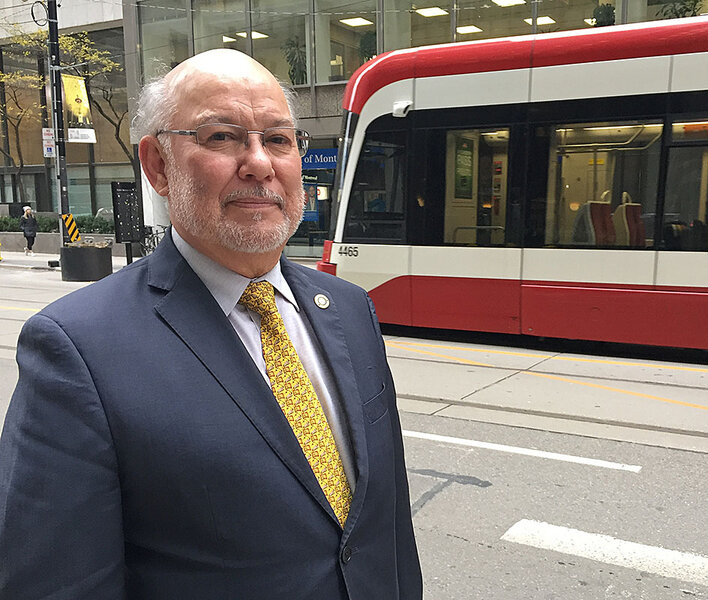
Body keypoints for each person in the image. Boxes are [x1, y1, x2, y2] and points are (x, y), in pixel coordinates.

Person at [0, 49, 422, 599]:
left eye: (278, 139)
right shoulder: (76, 349)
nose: (259, 163)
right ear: (157, 166)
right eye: (222, 137)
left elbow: (386, 526)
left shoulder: (348, 308)